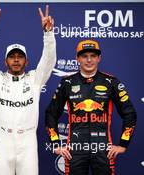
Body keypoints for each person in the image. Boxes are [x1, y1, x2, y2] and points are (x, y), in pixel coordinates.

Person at [0, 5, 56, 175]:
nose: (16, 60)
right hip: (3, 143)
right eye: (12, 57)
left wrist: (48, 34)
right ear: (5, 61)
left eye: (20, 57)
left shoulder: (35, 79)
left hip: (27, 142)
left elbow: (48, 60)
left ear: (26, 62)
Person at [45, 39, 137, 175]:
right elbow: (51, 113)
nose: (89, 60)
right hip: (75, 149)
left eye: (93, 56)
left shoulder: (111, 82)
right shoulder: (67, 83)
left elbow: (130, 113)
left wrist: (123, 144)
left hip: (103, 149)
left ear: (99, 58)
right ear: (77, 58)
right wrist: (55, 143)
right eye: (84, 56)